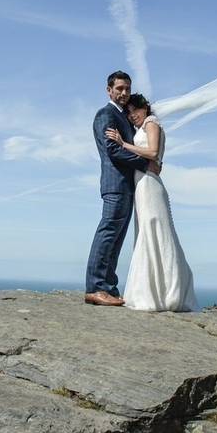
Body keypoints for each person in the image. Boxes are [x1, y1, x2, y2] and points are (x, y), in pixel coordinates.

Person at [105, 93, 199, 312]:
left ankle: (166, 292)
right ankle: (154, 291)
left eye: (134, 111)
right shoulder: (142, 126)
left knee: (156, 232)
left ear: (144, 108)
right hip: (143, 183)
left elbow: (153, 152)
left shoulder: (151, 123)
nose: (131, 116)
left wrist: (123, 143)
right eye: (128, 113)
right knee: (147, 233)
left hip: (150, 184)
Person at [85, 71, 161, 307]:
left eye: (127, 88)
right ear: (109, 90)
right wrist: (146, 164)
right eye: (119, 88)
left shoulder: (125, 117)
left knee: (117, 238)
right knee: (108, 233)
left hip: (128, 185)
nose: (124, 93)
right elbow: (113, 151)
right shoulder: (105, 115)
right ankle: (96, 287)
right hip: (115, 184)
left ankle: (108, 286)